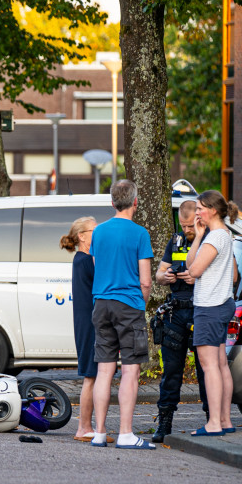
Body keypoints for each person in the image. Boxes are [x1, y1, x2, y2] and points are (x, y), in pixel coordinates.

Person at [89, 179, 155, 450]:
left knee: (104, 370)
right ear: (135, 202)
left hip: (101, 303)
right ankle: (126, 433)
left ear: (112, 202)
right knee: (130, 370)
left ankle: (100, 433)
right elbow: (146, 281)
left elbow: (96, 265)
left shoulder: (99, 232)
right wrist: (142, 304)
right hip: (128, 305)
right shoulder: (140, 234)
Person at [177, 189, 239, 436]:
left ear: (212, 210)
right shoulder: (222, 235)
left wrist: (201, 243)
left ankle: (213, 423)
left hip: (210, 306)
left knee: (209, 364)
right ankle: (225, 420)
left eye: (201, 208)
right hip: (221, 303)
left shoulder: (216, 238)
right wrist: (198, 236)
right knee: (221, 363)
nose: (197, 212)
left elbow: (194, 269)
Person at [150, 200, 207, 442]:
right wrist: (167, 276)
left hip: (201, 310)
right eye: (183, 226)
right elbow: (158, 275)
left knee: (206, 370)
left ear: (198, 218)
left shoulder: (209, 240)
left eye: (189, 226)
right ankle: (164, 423)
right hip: (175, 313)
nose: (186, 231)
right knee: (171, 371)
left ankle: (211, 419)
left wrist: (197, 277)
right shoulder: (175, 242)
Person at [60, 216, 98, 441]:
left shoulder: (83, 258)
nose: (99, 233)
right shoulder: (84, 260)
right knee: (91, 376)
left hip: (89, 320)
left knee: (93, 376)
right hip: (90, 322)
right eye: (94, 230)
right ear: (82, 236)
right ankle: (84, 427)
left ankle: (88, 426)